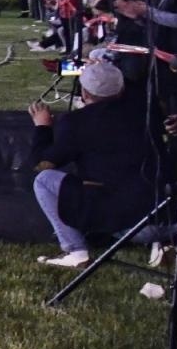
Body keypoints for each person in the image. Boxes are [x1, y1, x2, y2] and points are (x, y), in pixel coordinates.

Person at [29, 57, 164, 268]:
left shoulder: (75, 122)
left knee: (44, 180)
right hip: (163, 215)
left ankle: (76, 251)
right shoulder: (148, 113)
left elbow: (41, 165)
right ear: (121, 89)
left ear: (84, 93)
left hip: (121, 223)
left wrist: (42, 127)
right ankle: (162, 241)